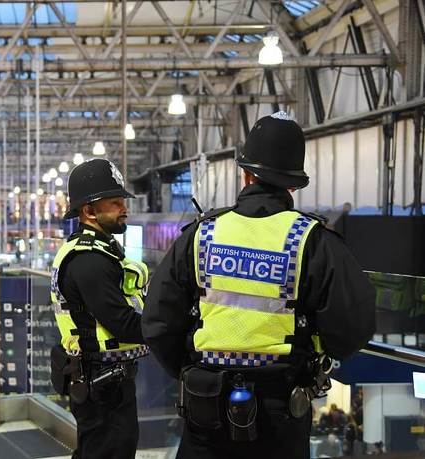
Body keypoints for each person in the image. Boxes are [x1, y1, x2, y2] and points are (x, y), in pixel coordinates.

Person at [142, 111, 376, 459]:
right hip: (280, 412)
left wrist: (193, 372)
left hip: (205, 406)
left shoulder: (201, 236)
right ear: (293, 185)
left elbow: (157, 323)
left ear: (245, 173)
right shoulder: (314, 242)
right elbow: (353, 329)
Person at [49, 158, 149, 459]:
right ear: (89, 211)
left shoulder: (101, 251)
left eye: (122, 201)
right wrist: (169, 325)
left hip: (107, 380)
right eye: (115, 203)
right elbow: (122, 322)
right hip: (103, 384)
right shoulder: (89, 261)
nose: (124, 209)